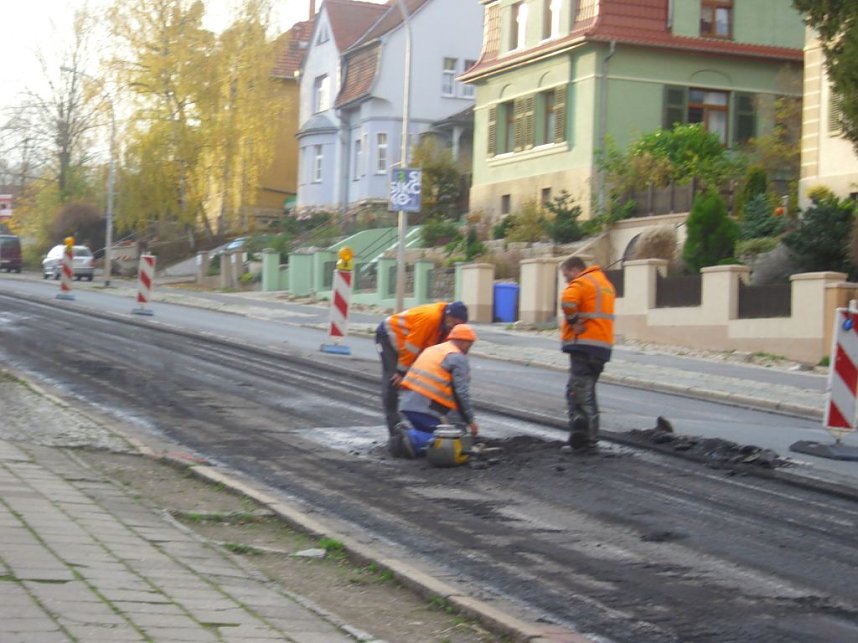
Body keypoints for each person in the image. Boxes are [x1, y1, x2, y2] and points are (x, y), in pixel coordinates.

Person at [375, 301, 469, 435]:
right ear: (448, 316)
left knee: (421, 380)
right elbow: (412, 346)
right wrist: (401, 372)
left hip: (410, 347)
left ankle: (418, 424)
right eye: (454, 322)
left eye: (459, 324)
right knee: (393, 380)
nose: (454, 326)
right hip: (389, 337)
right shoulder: (430, 318)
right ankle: (394, 427)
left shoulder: (448, 326)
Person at [394, 323, 479, 458]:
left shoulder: (434, 349)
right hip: (426, 409)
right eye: (470, 344)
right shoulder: (457, 357)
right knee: (452, 440)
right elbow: (461, 393)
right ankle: (413, 438)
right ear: (463, 341)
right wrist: (470, 421)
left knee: (434, 440)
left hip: (408, 405)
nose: (469, 349)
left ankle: (411, 435)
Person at [559, 256, 615, 454]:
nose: (566, 280)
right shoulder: (604, 283)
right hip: (601, 347)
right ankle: (585, 437)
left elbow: (567, 301)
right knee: (587, 392)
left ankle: (586, 441)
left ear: (575, 270)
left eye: (566, 275)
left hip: (584, 345)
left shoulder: (582, 282)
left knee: (579, 393)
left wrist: (573, 322)